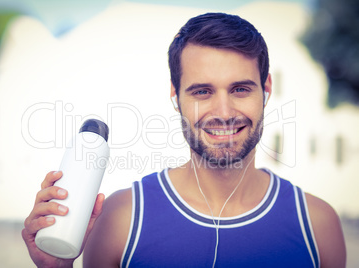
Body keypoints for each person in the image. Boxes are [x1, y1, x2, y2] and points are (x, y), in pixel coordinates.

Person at [22, 12, 346, 268]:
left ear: (267, 89)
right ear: (176, 96)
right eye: (202, 92)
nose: (223, 111)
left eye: (240, 89)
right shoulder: (120, 218)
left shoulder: (318, 226)